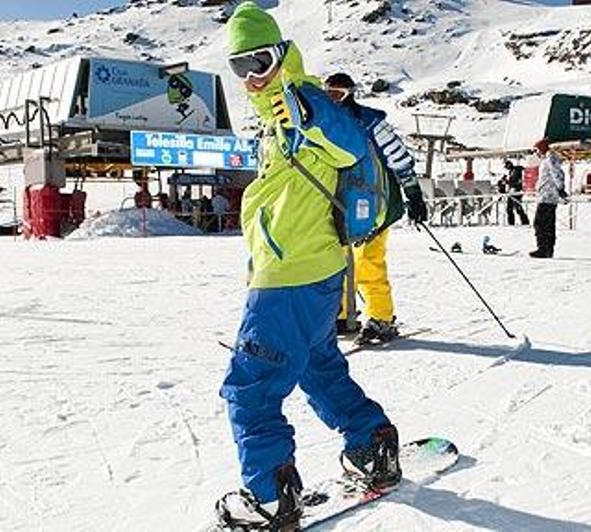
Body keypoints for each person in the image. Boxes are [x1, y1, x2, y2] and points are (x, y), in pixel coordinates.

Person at [215, 4, 399, 529]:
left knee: (251, 388)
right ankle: (373, 444)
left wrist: (306, 114)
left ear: (283, 54)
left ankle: (270, 497)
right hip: (314, 270)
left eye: (261, 61)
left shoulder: (302, 100)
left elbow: (344, 141)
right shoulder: (277, 106)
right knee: (318, 366)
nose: (252, 77)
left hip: (289, 276)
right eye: (240, 67)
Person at [323, 72, 428, 344]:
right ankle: (344, 314)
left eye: (339, 94)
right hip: (338, 205)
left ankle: (381, 318)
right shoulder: (325, 123)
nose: (334, 99)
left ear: (351, 93)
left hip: (375, 205)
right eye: (329, 93)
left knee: (368, 262)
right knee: (337, 262)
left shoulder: (370, 122)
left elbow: (400, 159)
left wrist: (413, 194)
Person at [530, 138, 567, 259]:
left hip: (548, 196)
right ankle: (546, 249)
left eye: (537, 150)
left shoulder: (550, 158)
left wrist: (560, 188)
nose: (536, 153)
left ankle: (543, 249)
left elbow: (557, 173)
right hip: (545, 194)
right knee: (546, 224)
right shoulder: (547, 158)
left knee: (540, 223)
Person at [502, 160, 529, 226]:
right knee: (509, 208)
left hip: (516, 191)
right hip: (511, 191)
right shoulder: (511, 172)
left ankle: (525, 222)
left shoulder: (516, 171)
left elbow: (516, 181)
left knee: (518, 207)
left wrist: (507, 182)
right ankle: (511, 222)